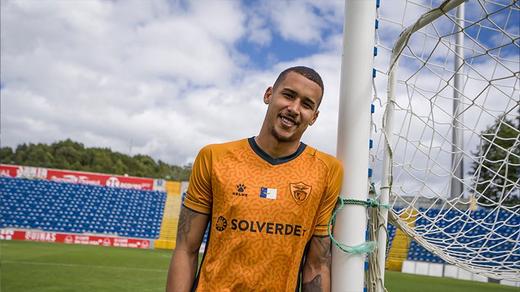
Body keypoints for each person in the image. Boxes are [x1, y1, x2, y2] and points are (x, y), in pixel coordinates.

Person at [166, 66, 343, 292]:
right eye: (288, 95)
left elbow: (317, 264)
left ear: (314, 117)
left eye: (306, 104)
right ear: (269, 95)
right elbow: (185, 248)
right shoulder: (214, 158)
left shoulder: (327, 170)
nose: (294, 108)